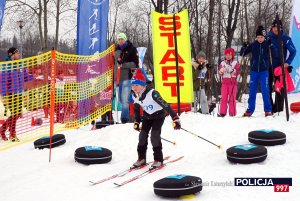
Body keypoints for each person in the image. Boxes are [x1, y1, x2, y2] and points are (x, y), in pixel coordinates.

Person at [130, 69, 181, 169]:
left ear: (143, 85)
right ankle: (141, 158)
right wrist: (137, 121)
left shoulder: (153, 93)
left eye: (136, 85)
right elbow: (136, 108)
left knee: (154, 136)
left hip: (158, 116)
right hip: (147, 117)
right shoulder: (134, 95)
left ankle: (158, 159)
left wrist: (175, 118)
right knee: (142, 136)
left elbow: (166, 105)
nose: (134, 88)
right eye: (133, 85)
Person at [0, 47, 33, 141]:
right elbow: (3, 81)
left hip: (19, 92)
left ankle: (2, 129)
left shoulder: (21, 65)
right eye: (17, 53)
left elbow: (26, 77)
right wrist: (4, 94)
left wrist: (33, 77)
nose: (19, 54)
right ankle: (12, 134)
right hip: (10, 93)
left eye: (19, 52)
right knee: (15, 113)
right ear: (12, 55)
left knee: (17, 114)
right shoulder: (7, 66)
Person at [240, 26, 272, 117]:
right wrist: (244, 47)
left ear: (264, 37)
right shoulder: (254, 44)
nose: (260, 39)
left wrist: (271, 43)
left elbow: (273, 49)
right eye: (258, 37)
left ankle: (268, 110)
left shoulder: (267, 44)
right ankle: (250, 110)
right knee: (252, 91)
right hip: (254, 71)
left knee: (265, 91)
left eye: (261, 37)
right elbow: (243, 53)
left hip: (264, 71)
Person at [268, 19, 297, 113]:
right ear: (272, 28)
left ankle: (278, 110)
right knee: (267, 89)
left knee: (280, 88)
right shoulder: (268, 38)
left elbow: (293, 51)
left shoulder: (285, 38)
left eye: (278, 28)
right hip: (268, 67)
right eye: (274, 27)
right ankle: (270, 109)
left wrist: (287, 62)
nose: (276, 29)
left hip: (279, 68)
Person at [115, 32, 139, 123]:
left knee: (125, 99)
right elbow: (114, 64)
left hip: (127, 77)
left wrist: (123, 64)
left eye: (122, 39)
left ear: (125, 39)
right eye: (119, 39)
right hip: (117, 78)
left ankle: (124, 119)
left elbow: (135, 64)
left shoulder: (132, 49)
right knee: (121, 100)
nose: (120, 41)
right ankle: (127, 117)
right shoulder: (116, 50)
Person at [218, 48, 239, 117]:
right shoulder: (222, 63)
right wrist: (221, 71)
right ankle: (222, 112)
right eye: (227, 55)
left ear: (232, 55)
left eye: (230, 55)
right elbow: (220, 73)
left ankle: (232, 112)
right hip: (225, 83)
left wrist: (233, 71)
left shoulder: (235, 63)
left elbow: (237, 72)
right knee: (224, 98)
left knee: (232, 98)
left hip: (232, 83)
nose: (228, 56)